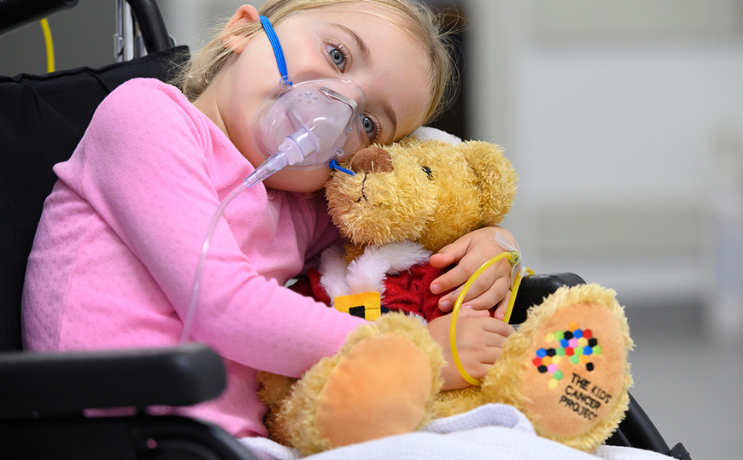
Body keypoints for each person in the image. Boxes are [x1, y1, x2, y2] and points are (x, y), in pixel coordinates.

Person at [22, 0, 517, 440]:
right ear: (242, 31)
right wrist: (415, 354)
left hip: (238, 442)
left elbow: (429, 190)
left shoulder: (299, 203)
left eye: (368, 123)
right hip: (127, 435)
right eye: (337, 55)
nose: (338, 103)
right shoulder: (147, 116)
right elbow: (223, 308)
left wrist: (492, 240)